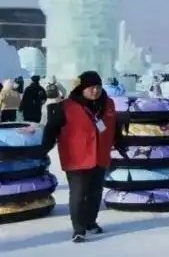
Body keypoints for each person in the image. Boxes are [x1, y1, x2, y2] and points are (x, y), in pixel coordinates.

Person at [42, 71, 120, 242]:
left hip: (100, 156)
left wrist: (119, 143)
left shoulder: (108, 104)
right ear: (81, 88)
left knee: (95, 192)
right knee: (78, 193)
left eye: (98, 87)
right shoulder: (65, 107)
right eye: (91, 87)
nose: (95, 91)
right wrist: (42, 150)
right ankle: (78, 229)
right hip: (76, 158)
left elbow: (115, 126)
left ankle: (91, 222)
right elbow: (51, 130)